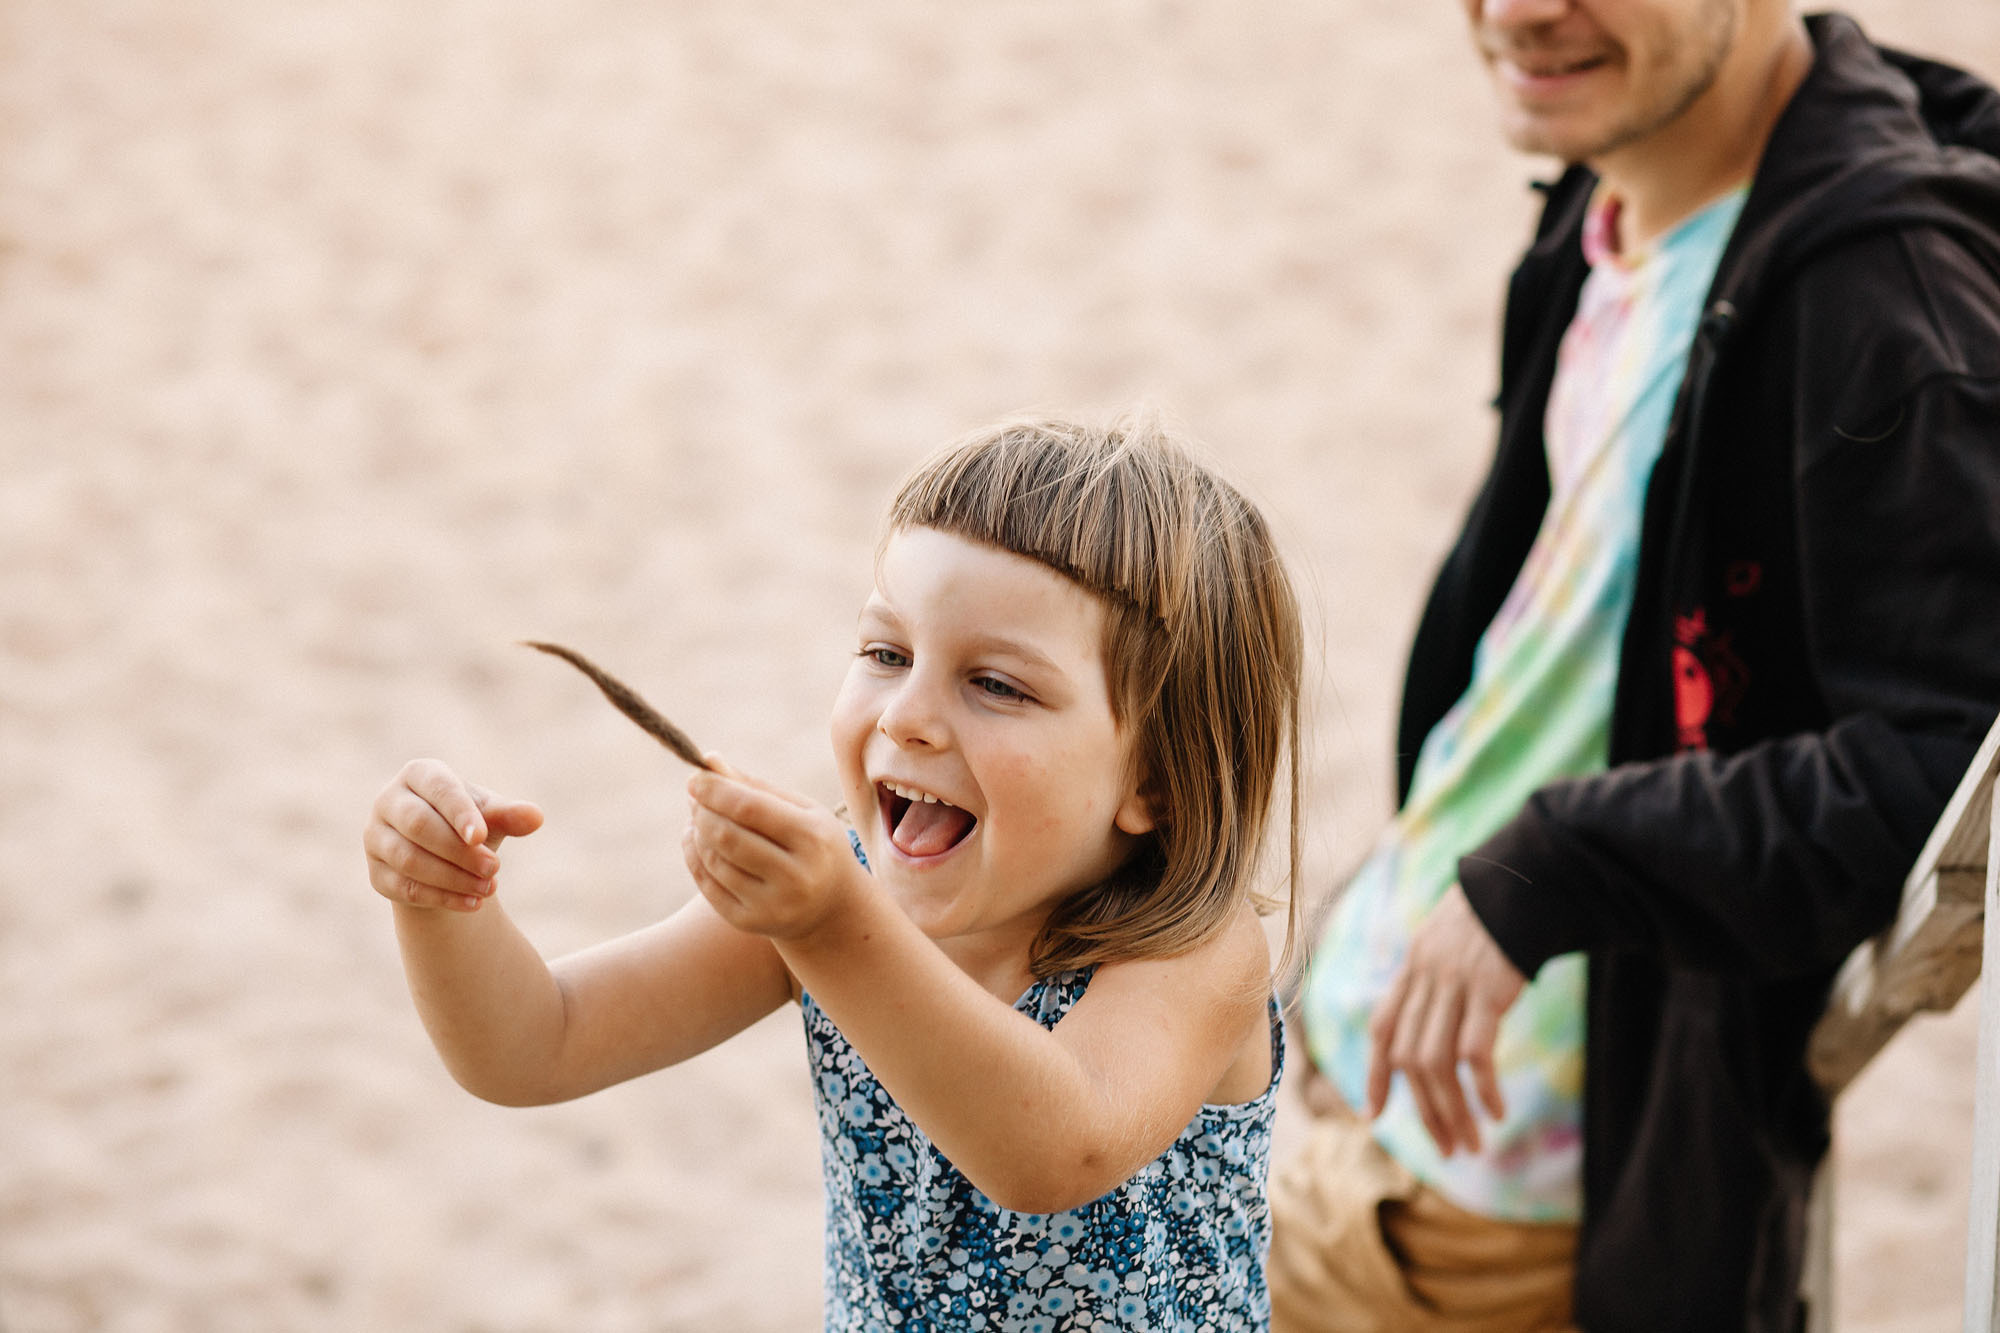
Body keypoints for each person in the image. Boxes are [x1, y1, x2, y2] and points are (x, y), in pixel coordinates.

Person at [1270, 0, 2000, 1329]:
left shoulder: (1879, 301)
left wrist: (1564, 863)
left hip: (1517, 1198)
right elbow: (1544, 646)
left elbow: (1945, 773)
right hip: (1389, 1068)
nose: (1523, 13)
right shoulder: (1614, 192)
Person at [363, 415, 1305, 1331]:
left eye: (997, 684)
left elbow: (1057, 1148)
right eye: (886, 653)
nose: (906, 716)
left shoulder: (1195, 946)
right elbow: (536, 1043)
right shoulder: (837, 896)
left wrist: (829, 926)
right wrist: (443, 903)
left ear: (1157, 778)